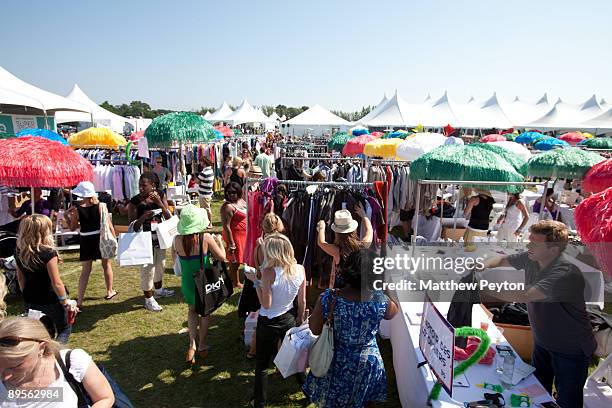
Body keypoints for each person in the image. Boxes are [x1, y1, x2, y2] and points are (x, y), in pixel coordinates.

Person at [479, 220, 596, 408]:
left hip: (570, 349)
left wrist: (479, 286)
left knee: (568, 401)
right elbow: (502, 260)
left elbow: (525, 295)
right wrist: (482, 265)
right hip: (543, 342)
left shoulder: (565, 274)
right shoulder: (532, 257)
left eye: (534, 242)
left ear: (553, 250)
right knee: (538, 393)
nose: (528, 245)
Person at [303, 250, 398, 407]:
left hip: (336, 361)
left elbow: (314, 329)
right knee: (365, 403)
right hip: (367, 363)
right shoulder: (380, 300)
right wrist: (385, 285)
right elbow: (393, 312)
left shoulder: (329, 298)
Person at [244, 233, 306, 408]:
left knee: (262, 365)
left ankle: (260, 403)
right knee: (296, 359)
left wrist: (255, 282)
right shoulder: (300, 269)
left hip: (269, 321)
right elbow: (302, 301)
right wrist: (300, 319)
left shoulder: (268, 273)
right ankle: (308, 392)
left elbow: (266, 304)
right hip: (289, 318)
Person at [0, 317, 115, 407]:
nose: (5, 377)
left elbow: (105, 398)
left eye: (16, 366)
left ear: (41, 348)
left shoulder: (71, 361)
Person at [174, 205, 226, 365]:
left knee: (191, 310)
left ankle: (192, 343)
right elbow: (222, 257)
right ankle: (202, 344)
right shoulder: (206, 238)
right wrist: (219, 242)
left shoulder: (176, 239)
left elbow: (176, 261)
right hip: (203, 282)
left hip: (187, 282)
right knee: (205, 313)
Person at [14, 215, 77, 343]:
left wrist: (26, 294)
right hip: (50, 299)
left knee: (40, 332)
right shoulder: (48, 253)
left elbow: (20, 279)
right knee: (64, 328)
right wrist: (65, 302)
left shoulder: (20, 252)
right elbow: (56, 282)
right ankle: (55, 355)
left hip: (30, 298)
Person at [65, 182, 116, 309]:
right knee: (106, 265)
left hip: (85, 239)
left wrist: (67, 216)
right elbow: (109, 225)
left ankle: (80, 300)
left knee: (85, 271)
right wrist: (114, 238)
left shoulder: (77, 209)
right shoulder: (101, 206)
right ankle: (110, 291)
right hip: (100, 238)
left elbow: (72, 227)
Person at [127, 172, 174, 312]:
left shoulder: (160, 194)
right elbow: (131, 226)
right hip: (143, 239)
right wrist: (143, 218)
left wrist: (159, 202)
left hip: (159, 236)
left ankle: (158, 290)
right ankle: (148, 299)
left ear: (153, 185)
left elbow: (168, 216)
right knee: (147, 270)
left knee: (161, 264)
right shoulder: (134, 201)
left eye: (144, 185)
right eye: (139, 185)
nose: (141, 188)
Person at [316, 206, 372, 288]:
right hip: (359, 286)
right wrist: (364, 216)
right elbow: (369, 231)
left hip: (343, 288)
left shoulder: (337, 251)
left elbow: (321, 243)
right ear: (353, 230)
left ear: (336, 232)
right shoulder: (363, 245)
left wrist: (321, 227)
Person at [220, 182, 247, 288]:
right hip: (234, 236)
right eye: (228, 193)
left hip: (244, 235)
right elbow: (226, 226)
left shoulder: (241, 201)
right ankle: (235, 282)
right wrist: (231, 243)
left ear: (239, 192)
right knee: (234, 260)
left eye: (233, 192)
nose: (231, 195)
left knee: (242, 257)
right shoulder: (227, 207)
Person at [197, 156, 215, 229]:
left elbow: (197, 181)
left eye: (201, 162)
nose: (200, 163)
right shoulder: (210, 171)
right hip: (207, 193)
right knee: (206, 209)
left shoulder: (204, 172)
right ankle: (207, 223)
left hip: (204, 194)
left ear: (204, 163)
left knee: (206, 210)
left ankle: (210, 223)